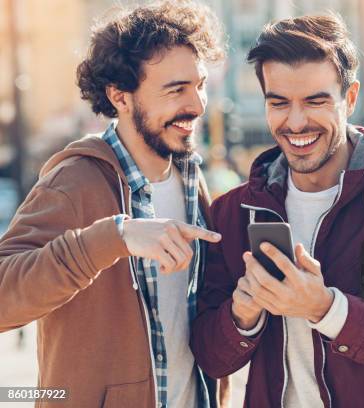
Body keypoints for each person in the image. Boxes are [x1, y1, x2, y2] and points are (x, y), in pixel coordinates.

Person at [191, 14, 364, 407]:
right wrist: (242, 315)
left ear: (349, 99)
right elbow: (212, 358)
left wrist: (325, 307)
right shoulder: (233, 213)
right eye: (279, 103)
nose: (296, 121)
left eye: (316, 101)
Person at [0, 2, 227, 407]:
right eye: (176, 89)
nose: (197, 104)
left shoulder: (192, 178)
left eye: (200, 84)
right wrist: (114, 237)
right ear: (120, 97)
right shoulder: (74, 182)